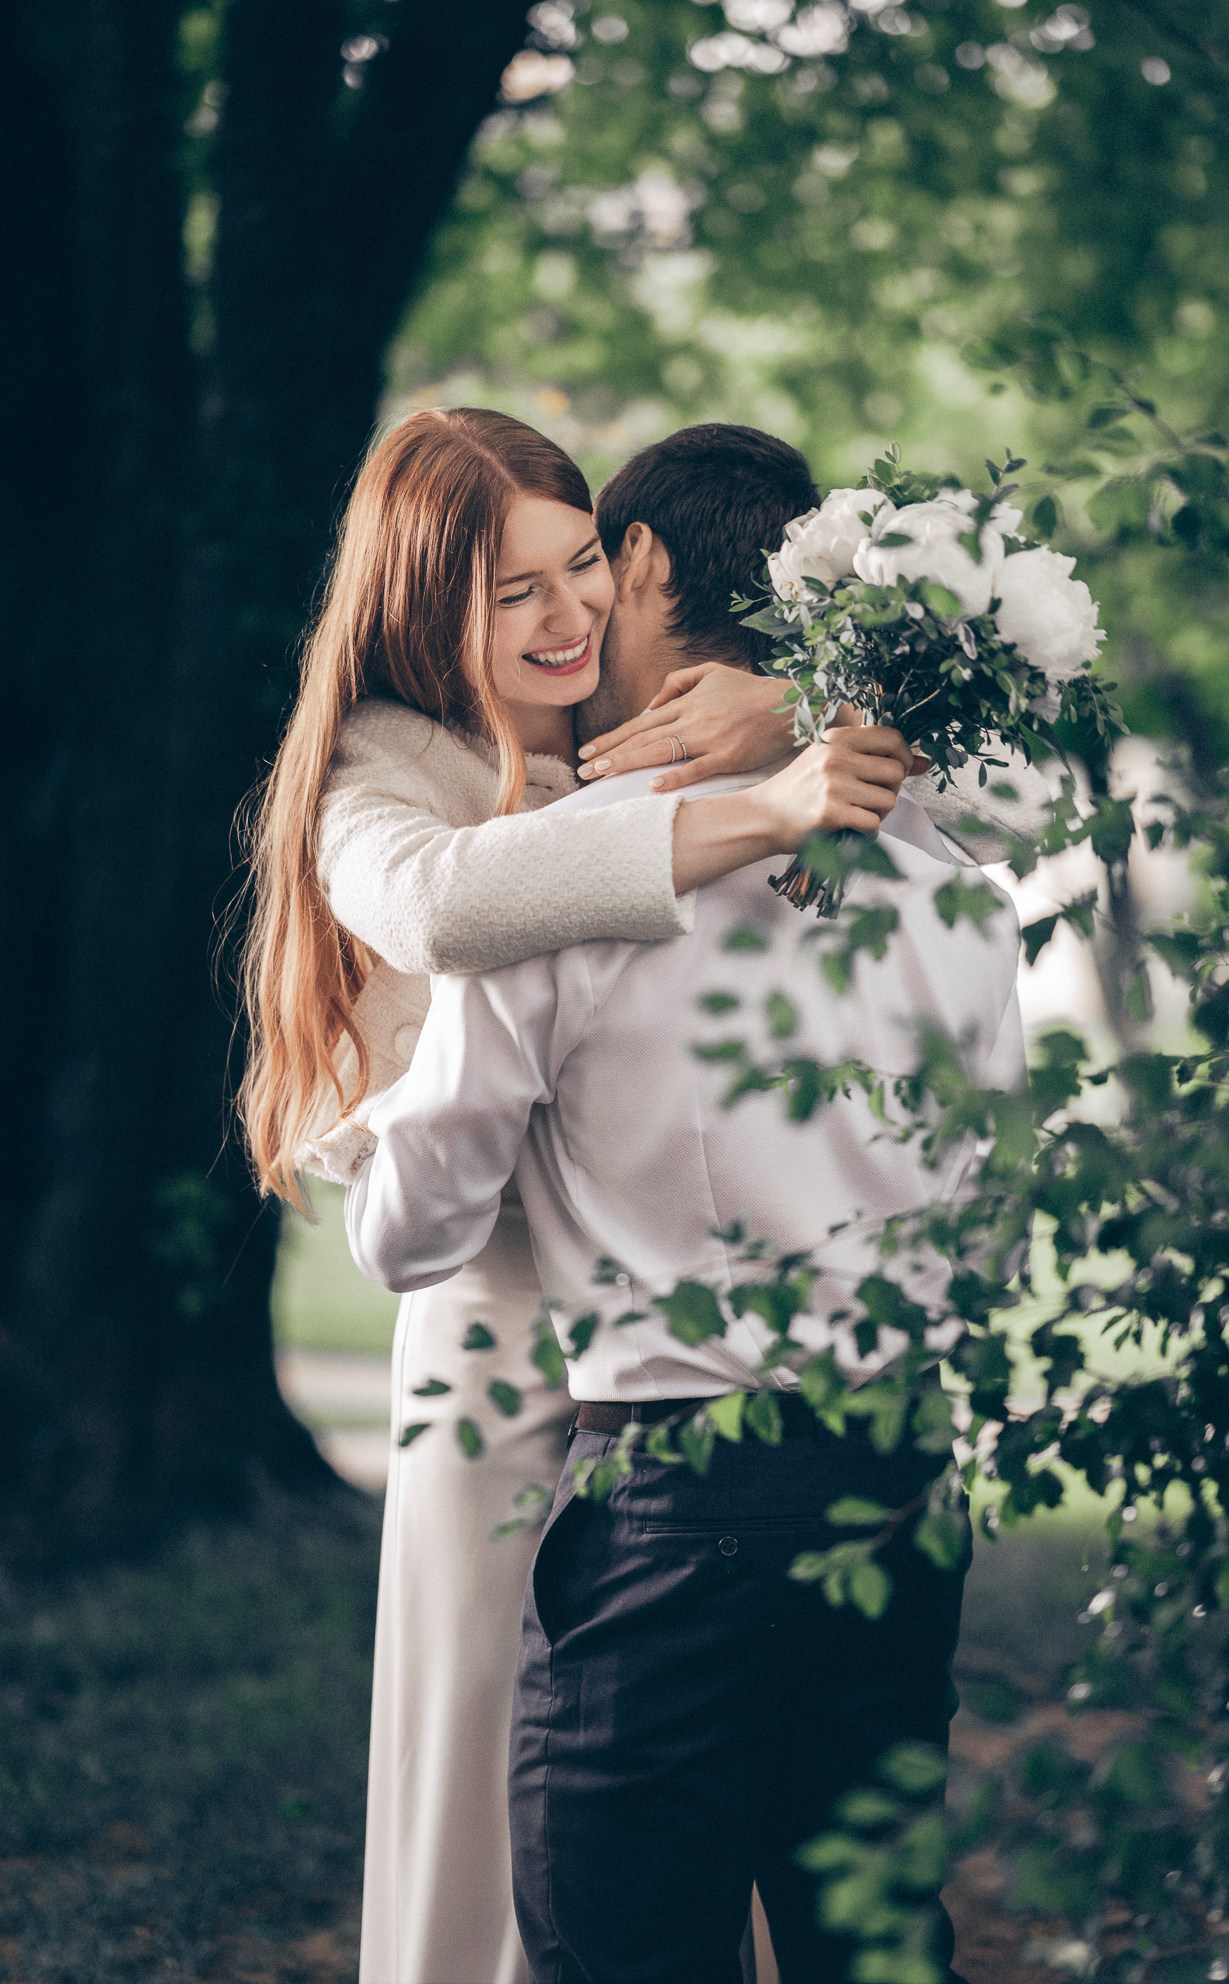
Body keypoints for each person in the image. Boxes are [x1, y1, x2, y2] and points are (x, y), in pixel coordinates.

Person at [240, 407, 924, 1984]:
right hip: (495, 1336)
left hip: (680, 1333)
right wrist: (756, 803)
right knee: (494, 1756)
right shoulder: (376, 772)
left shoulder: (632, 729)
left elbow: (923, 813)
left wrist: (790, 712)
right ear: (425, 605)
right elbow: (447, 903)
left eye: (585, 566)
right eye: (513, 592)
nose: (572, 618)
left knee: (683, 1788)